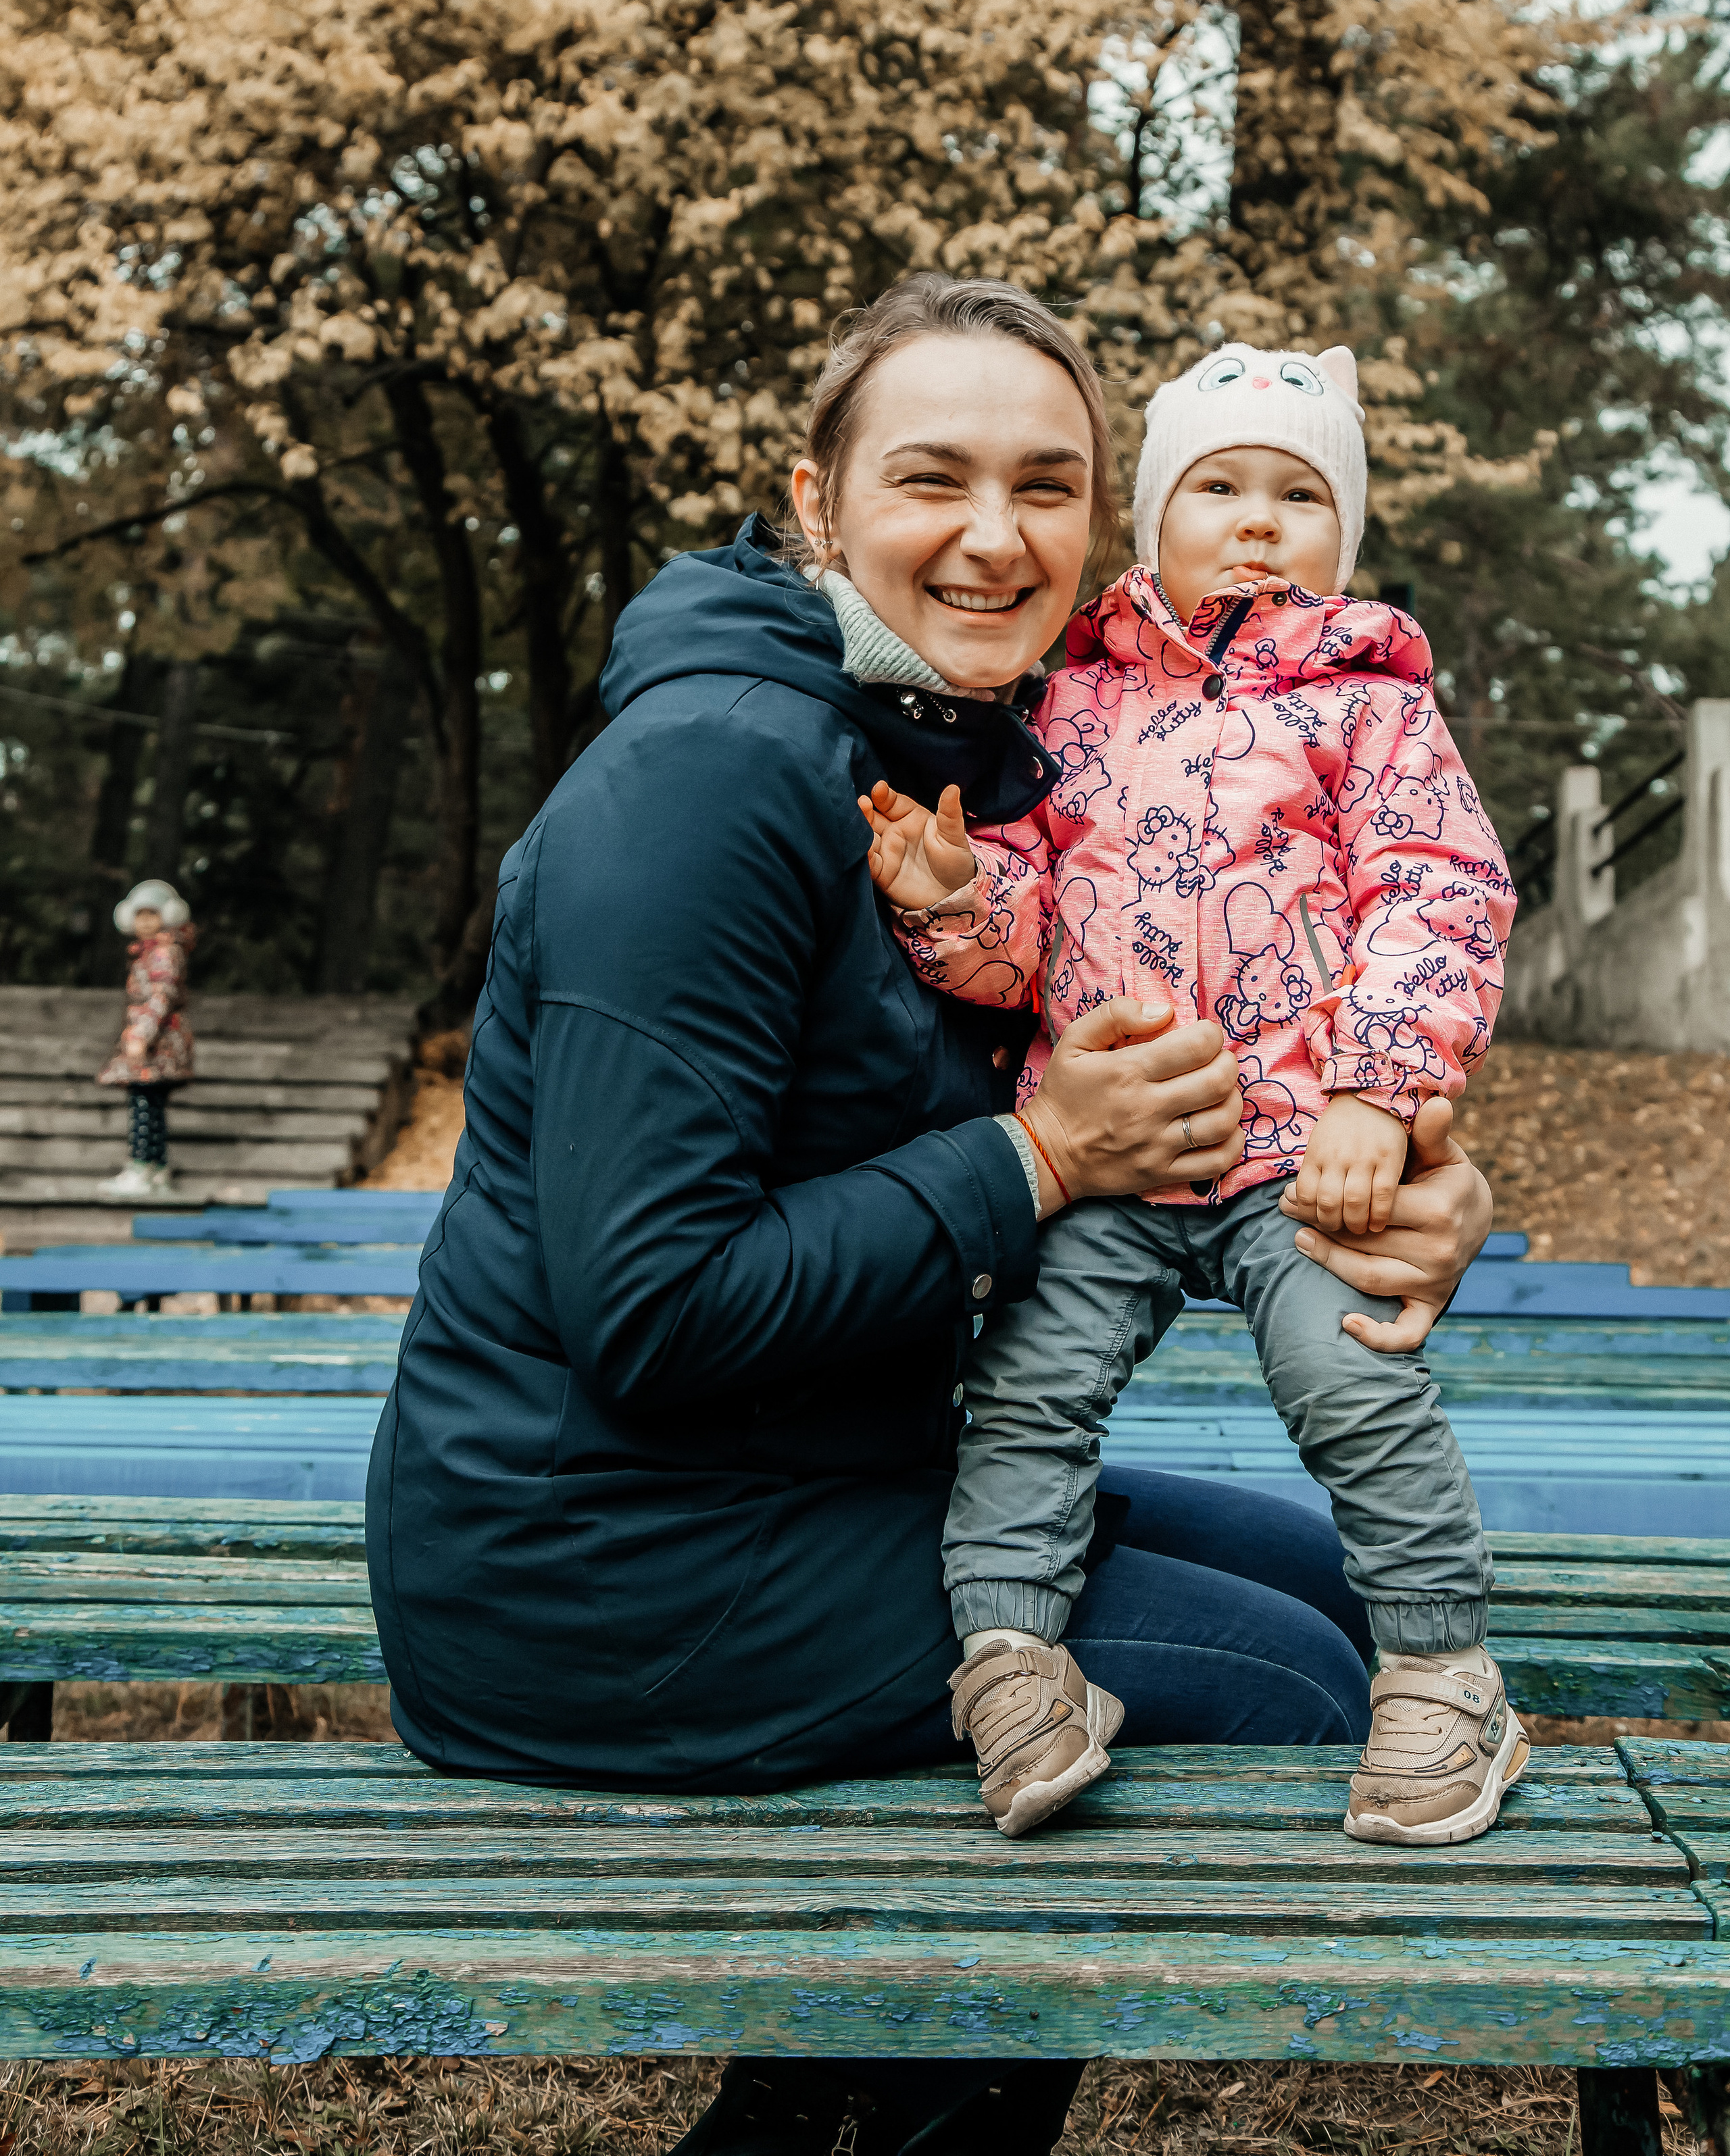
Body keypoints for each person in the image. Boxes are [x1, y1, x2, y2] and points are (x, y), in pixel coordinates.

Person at [366, 276, 1496, 2156]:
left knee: (1323, 1577)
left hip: (817, 1475)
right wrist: (1042, 1161)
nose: (997, 536)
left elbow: (1194, 1008)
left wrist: (1380, 1171)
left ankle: (812, 2108)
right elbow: (652, 1309)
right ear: (818, 504)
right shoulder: (713, 786)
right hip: (604, 1570)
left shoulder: (941, 744)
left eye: (1050, 484)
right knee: (1292, 1680)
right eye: (934, 479)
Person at [861, 338, 1524, 1849]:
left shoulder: (1371, 709)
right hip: (1108, 1154)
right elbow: (1024, 939)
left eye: (1297, 494)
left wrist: (1376, 1088)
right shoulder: (1070, 702)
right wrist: (957, 899)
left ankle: (1439, 1666)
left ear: (1339, 532)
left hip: (1303, 1146)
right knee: (1028, 1390)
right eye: (1214, 486)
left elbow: (1434, 894)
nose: (1254, 520)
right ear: (1148, 519)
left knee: (1348, 1382)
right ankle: (1011, 1658)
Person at [96, 877, 196, 1199]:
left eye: (152, 915)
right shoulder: (150, 952)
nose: (146, 922)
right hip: (155, 1040)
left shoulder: (164, 953)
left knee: (144, 1103)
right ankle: (155, 1168)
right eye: (140, 916)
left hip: (158, 1044)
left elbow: (161, 996)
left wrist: (141, 1035)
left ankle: (143, 1167)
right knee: (149, 1104)